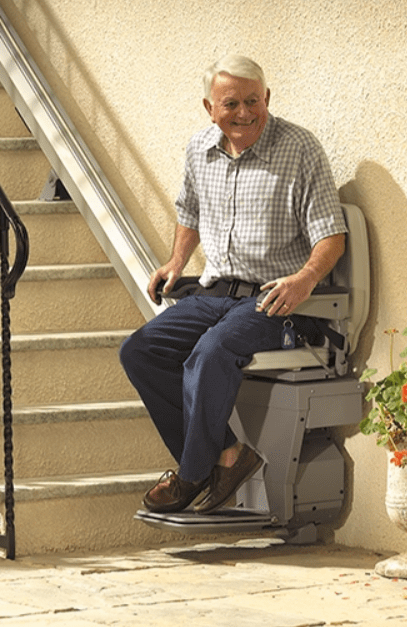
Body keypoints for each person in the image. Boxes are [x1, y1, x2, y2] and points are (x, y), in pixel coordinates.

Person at [119, 54, 347, 515]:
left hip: (276, 299)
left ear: (267, 98)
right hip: (214, 291)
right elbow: (190, 212)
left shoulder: (300, 149)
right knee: (140, 351)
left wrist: (305, 280)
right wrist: (176, 260)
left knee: (211, 352)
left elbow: (332, 235)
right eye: (231, 104)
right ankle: (227, 453)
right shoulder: (199, 149)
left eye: (252, 101)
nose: (243, 113)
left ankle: (190, 475)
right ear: (209, 108)